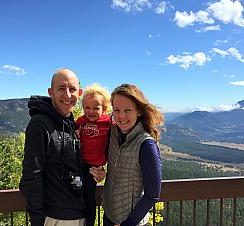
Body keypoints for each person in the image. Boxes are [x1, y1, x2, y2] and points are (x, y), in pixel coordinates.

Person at [19, 68, 85, 226]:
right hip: (55, 218)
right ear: (51, 92)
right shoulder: (39, 124)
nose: (68, 95)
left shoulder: (70, 123)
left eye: (72, 89)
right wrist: (37, 220)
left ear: (79, 93)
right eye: (61, 88)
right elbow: (31, 176)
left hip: (77, 214)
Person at [92, 83, 164, 226]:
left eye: (127, 110)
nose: (121, 116)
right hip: (108, 215)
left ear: (139, 111)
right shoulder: (112, 133)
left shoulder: (146, 145)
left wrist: (128, 223)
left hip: (131, 222)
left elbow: (152, 194)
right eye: (117, 110)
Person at [75, 83, 111, 226]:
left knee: (89, 196)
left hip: (94, 168)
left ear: (104, 109)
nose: (90, 111)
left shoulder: (108, 122)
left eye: (96, 108)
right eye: (87, 108)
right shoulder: (80, 121)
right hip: (79, 164)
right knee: (77, 190)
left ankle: (89, 222)